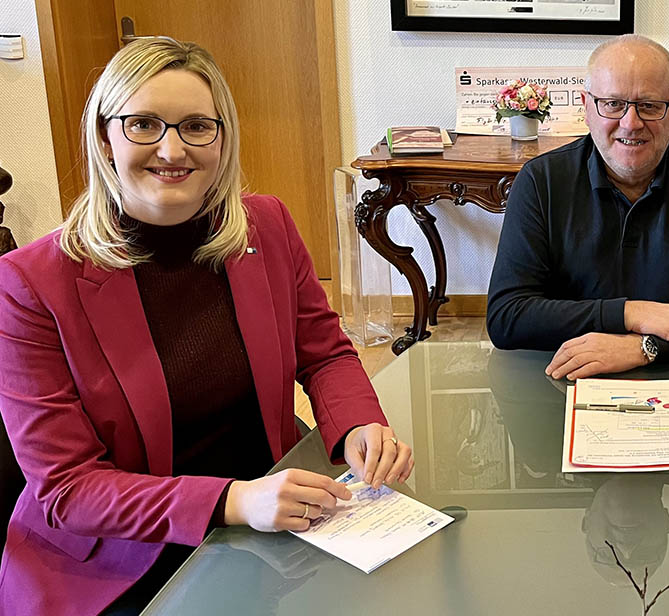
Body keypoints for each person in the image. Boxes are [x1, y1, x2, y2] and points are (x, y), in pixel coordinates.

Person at [0, 38, 415, 615]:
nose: (172, 149)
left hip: (273, 504)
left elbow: (323, 353)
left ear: (222, 138)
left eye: (197, 126)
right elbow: (67, 488)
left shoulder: (264, 225)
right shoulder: (29, 284)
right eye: (143, 124)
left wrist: (357, 424)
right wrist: (233, 501)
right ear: (104, 136)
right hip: (125, 553)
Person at [487, 34, 669, 380]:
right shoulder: (540, 181)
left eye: (650, 106)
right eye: (612, 104)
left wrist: (645, 348)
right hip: (563, 380)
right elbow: (507, 316)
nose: (630, 123)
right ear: (586, 106)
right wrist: (632, 314)